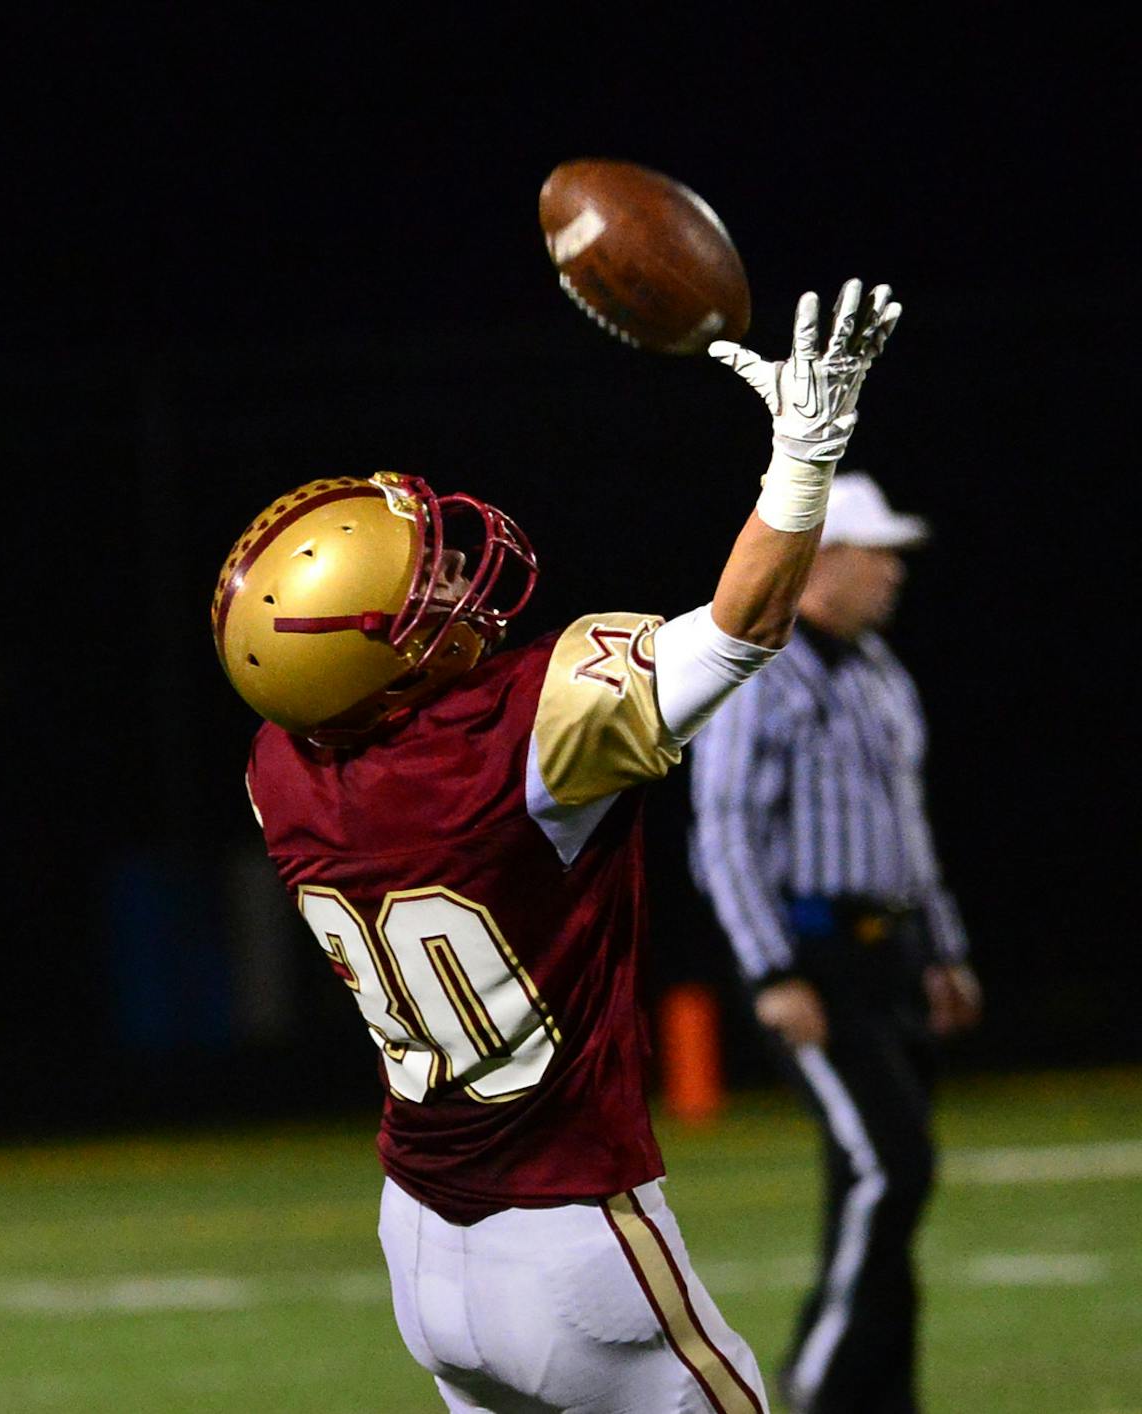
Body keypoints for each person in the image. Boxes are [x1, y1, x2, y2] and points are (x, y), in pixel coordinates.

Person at [211, 280, 902, 1414]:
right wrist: (804, 455)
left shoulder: (275, 773)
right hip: (575, 1241)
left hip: (422, 1243)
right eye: (417, 592)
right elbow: (745, 629)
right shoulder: (525, 729)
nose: (450, 583)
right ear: (363, 662)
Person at [689, 473, 978, 1414]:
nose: (892, 571)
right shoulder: (761, 667)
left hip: (886, 955)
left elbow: (906, 827)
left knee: (877, 1177)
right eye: (875, 551)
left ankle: (878, 1395)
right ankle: (816, 1384)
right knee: (891, 1165)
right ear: (818, 560)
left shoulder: (878, 670)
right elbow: (724, 831)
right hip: (814, 958)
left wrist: (940, 949)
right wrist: (771, 969)